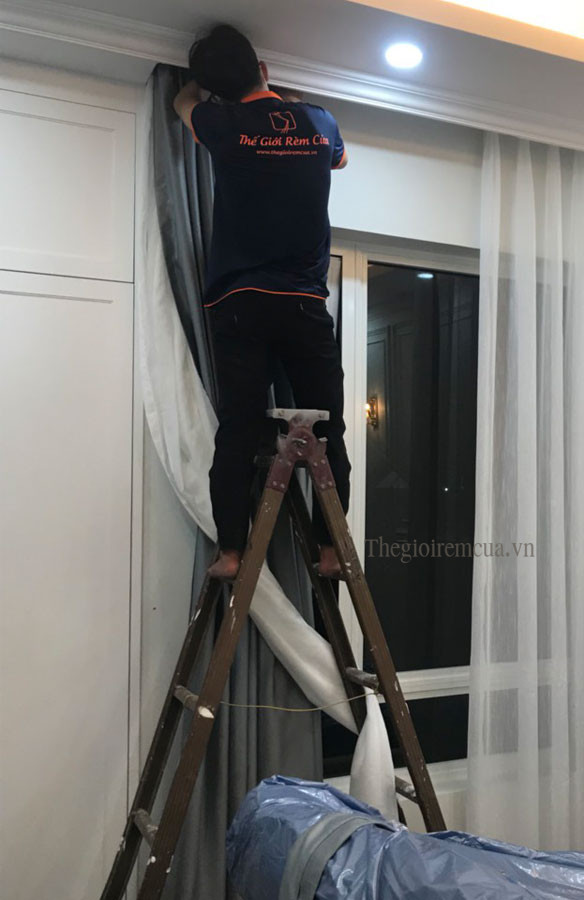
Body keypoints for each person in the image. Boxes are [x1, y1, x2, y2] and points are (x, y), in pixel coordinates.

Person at [172, 24, 350, 580]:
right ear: (264, 69)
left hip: (241, 301)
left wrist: (196, 91)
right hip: (303, 303)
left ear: (220, 95)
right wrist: (289, 110)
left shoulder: (221, 124)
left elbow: (182, 104)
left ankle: (231, 550)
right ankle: (330, 549)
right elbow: (341, 161)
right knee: (329, 428)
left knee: (239, 427)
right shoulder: (318, 121)